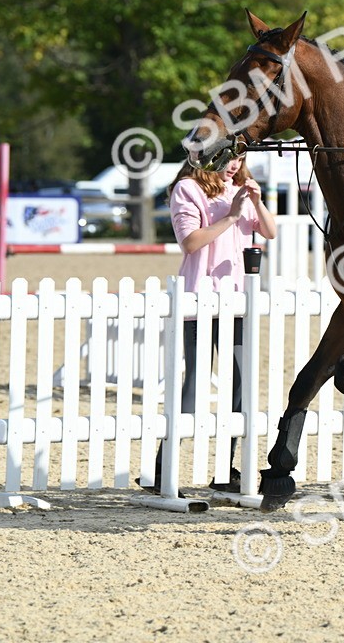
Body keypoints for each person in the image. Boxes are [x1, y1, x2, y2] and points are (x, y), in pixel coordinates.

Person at [138, 154, 277, 495]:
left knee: (241, 387)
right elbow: (190, 242)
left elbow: (270, 233)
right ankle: (161, 470)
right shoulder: (187, 189)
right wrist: (231, 216)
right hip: (199, 299)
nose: (234, 165)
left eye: (240, 158)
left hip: (237, 301)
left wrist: (256, 204)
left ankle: (224, 472)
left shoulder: (240, 189)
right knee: (195, 386)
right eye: (229, 158)